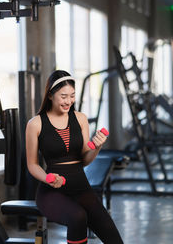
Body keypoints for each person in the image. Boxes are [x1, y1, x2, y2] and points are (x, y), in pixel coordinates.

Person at [26, 70, 124, 244]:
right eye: (63, 96)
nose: (69, 101)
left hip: (81, 187)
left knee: (113, 237)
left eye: (72, 96)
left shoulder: (80, 119)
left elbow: (84, 160)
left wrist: (97, 146)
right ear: (50, 95)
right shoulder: (36, 124)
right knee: (78, 217)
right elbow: (32, 164)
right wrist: (47, 178)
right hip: (51, 192)